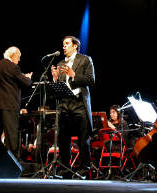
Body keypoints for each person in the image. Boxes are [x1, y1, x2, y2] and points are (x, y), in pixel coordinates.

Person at [51, 35, 95, 179]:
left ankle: (84, 170)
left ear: (75, 45)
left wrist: (74, 75)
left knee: (83, 139)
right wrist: (55, 79)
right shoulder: (60, 63)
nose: (64, 46)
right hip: (65, 104)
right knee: (63, 139)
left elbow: (91, 80)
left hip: (79, 104)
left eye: (67, 44)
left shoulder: (85, 59)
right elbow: (59, 88)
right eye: (63, 44)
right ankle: (65, 170)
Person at [0, 46, 33, 160]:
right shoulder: (13, 67)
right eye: (18, 57)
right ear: (13, 55)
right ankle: (11, 163)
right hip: (9, 105)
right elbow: (26, 83)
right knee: (11, 136)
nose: (19, 60)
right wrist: (28, 78)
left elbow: (6, 81)